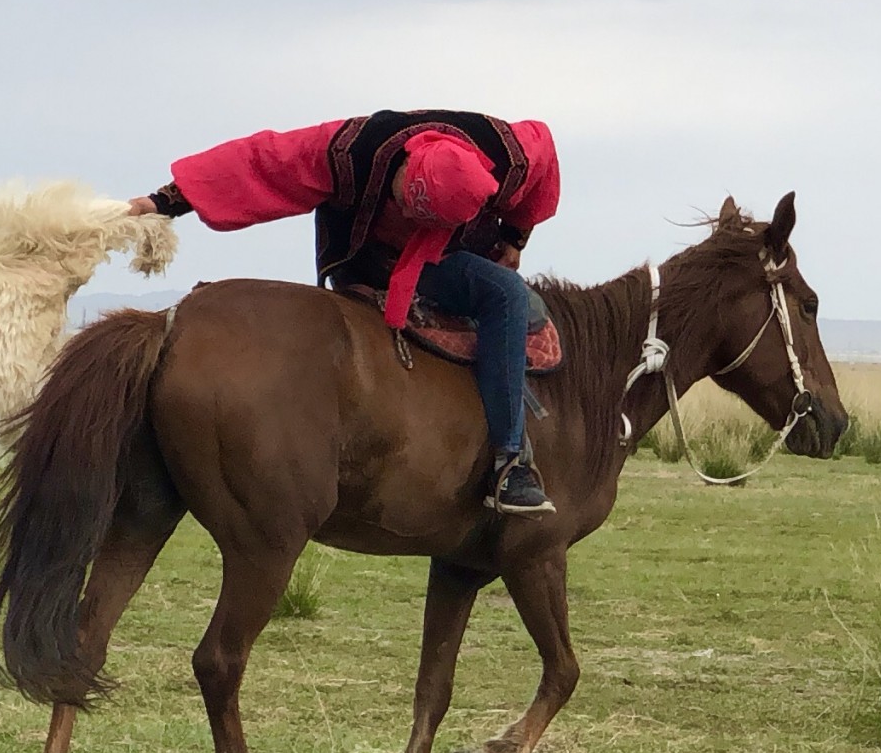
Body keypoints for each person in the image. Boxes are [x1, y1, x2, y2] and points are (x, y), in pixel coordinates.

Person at [129, 111, 562, 514]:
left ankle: (510, 462)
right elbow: (265, 161)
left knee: (506, 293)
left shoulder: (509, 154)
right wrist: (164, 201)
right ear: (409, 165)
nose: (410, 215)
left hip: (447, 249)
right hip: (371, 257)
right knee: (505, 292)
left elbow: (544, 153)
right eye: (408, 204)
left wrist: (515, 237)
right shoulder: (349, 150)